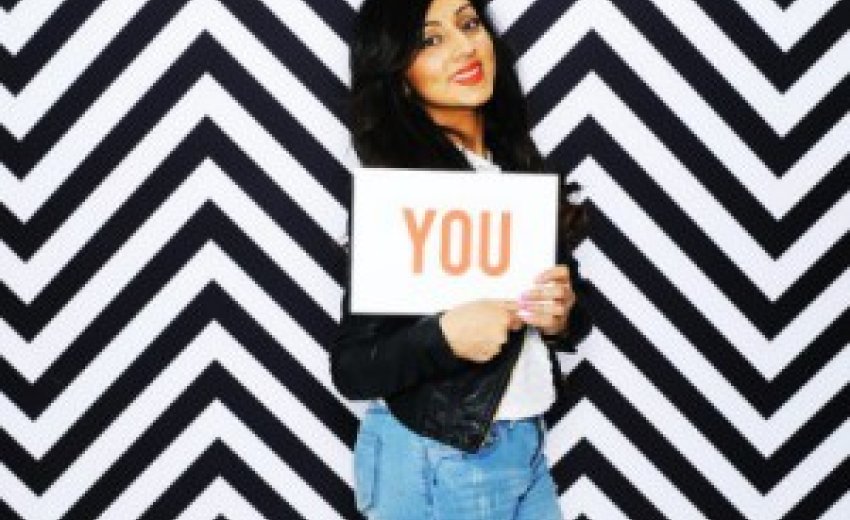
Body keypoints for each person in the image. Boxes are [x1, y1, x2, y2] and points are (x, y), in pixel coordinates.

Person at [331, 0, 592, 518]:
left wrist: (560, 316)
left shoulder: (515, 174)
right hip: (437, 456)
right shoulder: (406, 196)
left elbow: (570, 323)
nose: (464, 46)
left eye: (469, 24)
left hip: (523, 446)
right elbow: (353, 368)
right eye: (431, 39)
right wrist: (445, 338)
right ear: (400, 75)